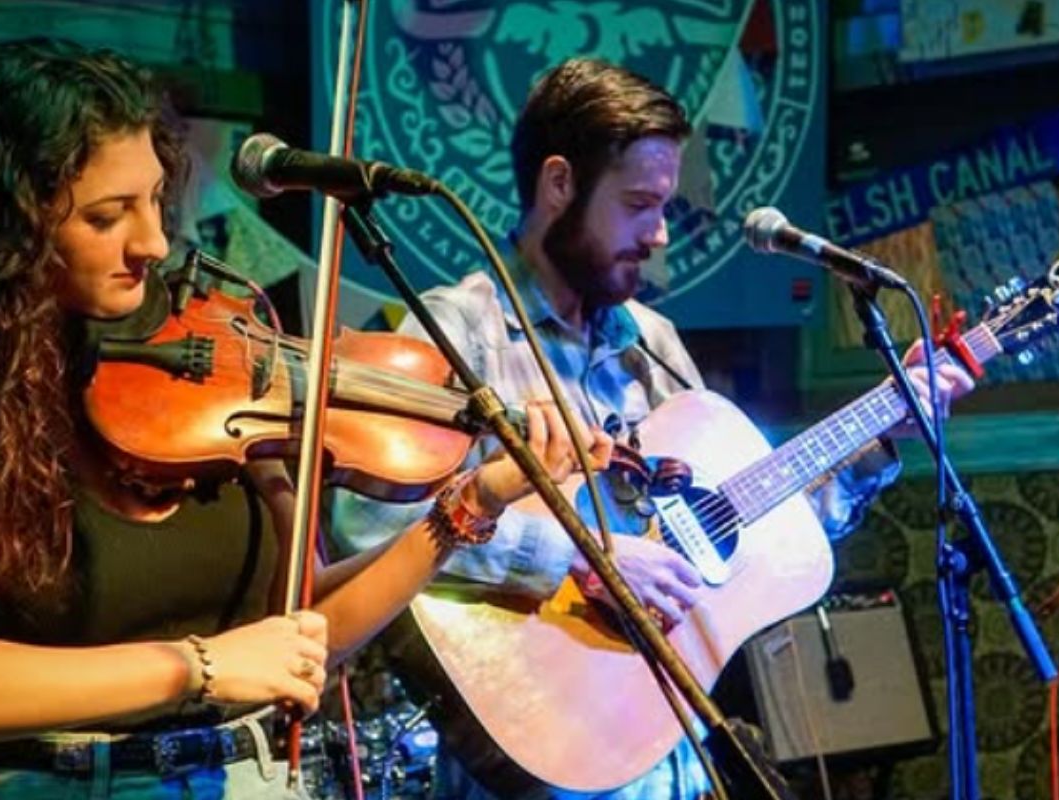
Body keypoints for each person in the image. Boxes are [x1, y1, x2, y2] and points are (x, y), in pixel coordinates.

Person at [0, 38, 611, 800]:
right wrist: (201, 667)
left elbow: (307, 630)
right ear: (5, 225)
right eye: (106, 216)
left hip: (251, 778)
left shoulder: (214, 369)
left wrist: (471, 506)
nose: (154, 243)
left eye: (156, 200)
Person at [331, 57, 975, 800]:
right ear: (559, 185)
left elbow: (740, 532)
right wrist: (581, 558)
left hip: (666, 762)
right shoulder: (456, 332)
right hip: (526, 758)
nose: (661, 233)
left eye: (664, 205)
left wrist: (883, 435)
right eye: (640, 204)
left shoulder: (653, 344)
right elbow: (370, 525)